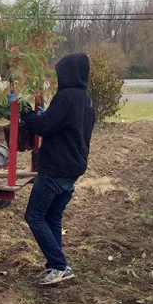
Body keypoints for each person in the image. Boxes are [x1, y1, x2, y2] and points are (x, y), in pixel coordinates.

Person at [21, 53, 95, 287]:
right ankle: (56, 266)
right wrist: (47, 116)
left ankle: (59, 265)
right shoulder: (86, 100)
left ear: (69, 73)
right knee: (52, 216)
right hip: (73, 168)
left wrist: (24, 110)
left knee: (34, 216)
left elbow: (44, 127)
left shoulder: (66, 97)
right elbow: (65, 126)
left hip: (55, 168)